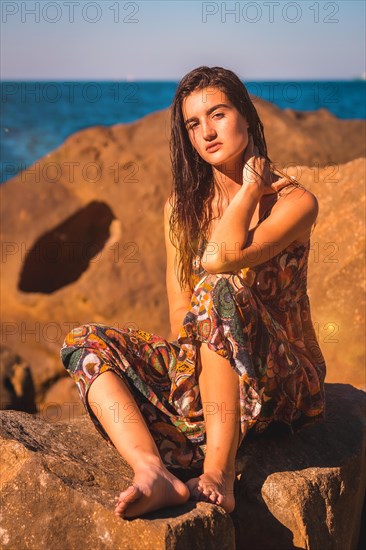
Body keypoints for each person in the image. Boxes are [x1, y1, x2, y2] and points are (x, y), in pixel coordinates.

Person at [60, 66, 326, 520]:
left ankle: (219, 473)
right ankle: (151, 471)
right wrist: (188, 379)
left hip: (282, 380)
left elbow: (220, 260)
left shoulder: (293, 201)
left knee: (218, 289)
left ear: (246, 114)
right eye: (192, 124)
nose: (206, 132)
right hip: (211, 376)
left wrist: (247, 193)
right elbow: (180, 309)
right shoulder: (180, 209)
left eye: (217, 114)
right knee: (82, 342)